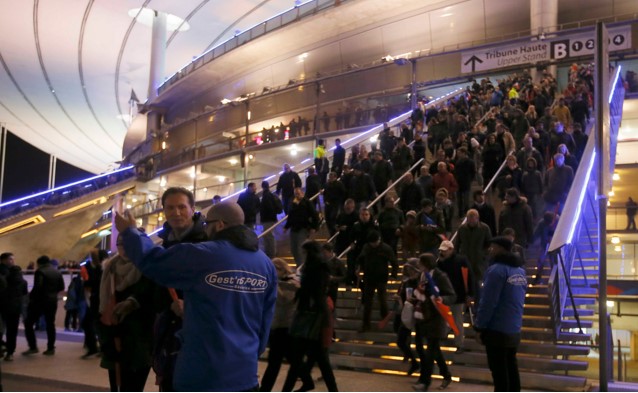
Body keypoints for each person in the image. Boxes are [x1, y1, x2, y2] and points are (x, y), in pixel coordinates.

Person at [115, 201, 277, 391]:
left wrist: (131, 233)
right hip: (245, 376)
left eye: (207, 224)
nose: (204, 229)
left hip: (201, 373)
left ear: (220, 225)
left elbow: (155, 262)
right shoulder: (266, 265)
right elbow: (265, 323)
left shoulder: (203, 255)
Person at [152, 186, 209, 391]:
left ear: (192, 208)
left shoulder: (208, 243)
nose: (176, 213)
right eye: (170, 208)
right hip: (170, 334)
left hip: (202, 337)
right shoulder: (163, 246)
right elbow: (157, 288)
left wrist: (191, 305)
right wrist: (168, 305)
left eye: (182, 207)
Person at [97, 232, 155, 392]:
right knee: (116, 387)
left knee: (133, 388)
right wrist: (104, 337)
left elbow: (152, 301)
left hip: (139, 341)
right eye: (119, 244)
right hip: (113, 339)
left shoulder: (149, 269)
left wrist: (132, 303)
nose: (123, 248)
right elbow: (99, 306)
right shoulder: (110, 268)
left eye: (128, 243)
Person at [282, 241, 338, 392]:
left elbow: (317, 294)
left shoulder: (316, 270)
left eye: (305, 252)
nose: (302, 255)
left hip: (313, 318)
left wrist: (301, 288)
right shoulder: (316, 269)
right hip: (316, 317)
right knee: (318, 360)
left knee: (300, 360)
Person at [474, 236, 527, 392]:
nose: (490, 250)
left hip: (497, 329)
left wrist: (479, 326)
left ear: (501, 249)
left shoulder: (496, 270)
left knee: (499, 372)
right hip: (514, 328)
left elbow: (488, 301)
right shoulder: (520, 271)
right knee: (511, 367)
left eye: (493, 247)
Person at [411, 253, 454, 392]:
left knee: (430, 352)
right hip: (422, 316)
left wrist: (442, 299)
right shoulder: (421, 276)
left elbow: (452, 295)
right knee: (432, 350)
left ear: (426, 264)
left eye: (420, 263)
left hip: (436, 318)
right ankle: (446, 374)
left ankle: (424, 381)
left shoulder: (440, 277)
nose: (418, 266)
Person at [260, 258, 300, 392]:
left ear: (281, 269)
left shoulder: (291, 282)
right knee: (279, 361)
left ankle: (265, 389)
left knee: (276, 362)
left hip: (286, 326)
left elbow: (285, 300)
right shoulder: (277, 283)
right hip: (277, 326)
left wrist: (273, 285)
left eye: (274, 269)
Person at [22, 255, 65, 356]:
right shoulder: (57, 272)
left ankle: (33, 346)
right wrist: (53, 293)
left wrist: (31, 297)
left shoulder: (40, 271)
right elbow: (61, 287)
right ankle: (50, 348)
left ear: (39, 263)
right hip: (52, 301)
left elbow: (38, 287)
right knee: (50, 324)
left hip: (39, 302)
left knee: (28, 323)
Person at [356, 231, 397, 332]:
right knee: (367, 301)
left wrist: (393, 275)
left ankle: (385, 320)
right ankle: (366, 324)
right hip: (368, 277)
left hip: (381, 277)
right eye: (372, 243)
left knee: (382, 299)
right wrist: (358, 268)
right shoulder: (367, 247)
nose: (374, 245)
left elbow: (394, 262)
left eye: (375, 242)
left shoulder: (386, 248)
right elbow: (360, 258)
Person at [437, 240, 473, 353]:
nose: (442, 253)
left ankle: (459, 343)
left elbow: (469, 277)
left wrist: (470, 294)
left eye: (444, 251)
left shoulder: (461, 260)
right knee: (447, 318)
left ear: (451, 250)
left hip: (458, 295)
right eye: (441, 251)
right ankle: (445, 335)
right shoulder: (440, 262)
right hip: (446, 295)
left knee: (457, 320)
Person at [0, 253, 27, 361]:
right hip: (16, 308)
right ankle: (10, 352)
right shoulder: (23, 282)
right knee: (12, 331)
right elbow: (24, 294)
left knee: (2, 328)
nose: (12, 261)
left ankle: (3, 346)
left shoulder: (4, 278)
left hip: (3, 306)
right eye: (10, 259)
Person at [284, 187, 320, 268]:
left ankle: (302, 267)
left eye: (298, 193)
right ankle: (299, 265)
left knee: (300, 249)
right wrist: (286, 226)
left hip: (303, 228)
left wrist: (314, 227)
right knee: (293, 249)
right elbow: (290, 216)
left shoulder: (307, 202)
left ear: (302, 193)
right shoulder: (293, 203)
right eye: (295, 194)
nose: (297, 195)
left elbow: (315, 215)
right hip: (294, 228)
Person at [260, 180, 283, 258]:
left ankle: (271, 253)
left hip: (268, 219)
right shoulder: (269, 194)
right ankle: (270, 253)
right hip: (270, 218)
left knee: (269, 236)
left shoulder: (266, 195)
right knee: (268, 236)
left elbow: (269, 208)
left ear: (262, 187)